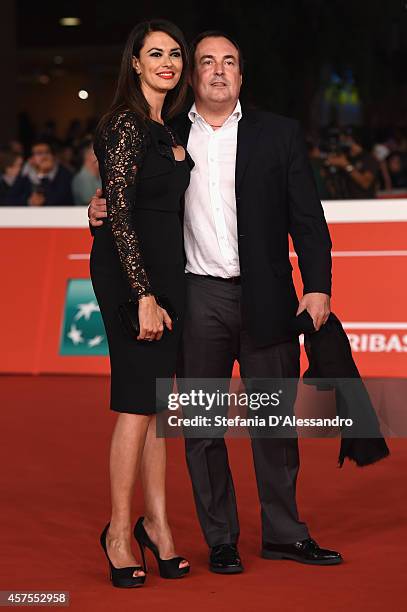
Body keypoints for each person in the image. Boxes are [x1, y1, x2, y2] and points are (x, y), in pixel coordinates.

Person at [89, 31, 342, 574]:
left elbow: (308, 218)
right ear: (193, 77)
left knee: (273, 422)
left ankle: (283, 532)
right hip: (196, 295)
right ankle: (220, 538)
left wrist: (317, 285)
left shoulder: (279, 135)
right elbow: (133, 195)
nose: (218, 71)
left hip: (268, 296)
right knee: (202, 427)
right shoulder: (164, 133)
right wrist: (100, 205)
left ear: (242, 76)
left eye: (229, 62)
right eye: (206, 62)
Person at [90, 20, 192, 588]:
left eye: (175, 54)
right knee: (136, 402)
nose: (168, 63)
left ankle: (158, 524)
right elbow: (121, 214)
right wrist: (143, 295)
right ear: (134, 62)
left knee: (160, 404)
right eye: (155, 53)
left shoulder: (168, 126)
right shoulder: (123, 124)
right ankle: (117, 533)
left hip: (168, 274)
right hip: (133, 279)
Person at [8, 140, 73, 206]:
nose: (44, 156)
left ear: (52, 156)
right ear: (31, 159)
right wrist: (28, 201)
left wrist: (44, 174)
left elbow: (57, 201)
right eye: (39, 153)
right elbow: (9, 199)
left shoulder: (64, 174)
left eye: (47, 152)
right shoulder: (25, 173)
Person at [324, 127, 379, 199]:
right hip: (342, 202)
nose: (342, 139)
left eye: (345, 137)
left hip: (363, 203)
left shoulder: (369, 159)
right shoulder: (344, 156)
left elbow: (365, 183)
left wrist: (346, 165)